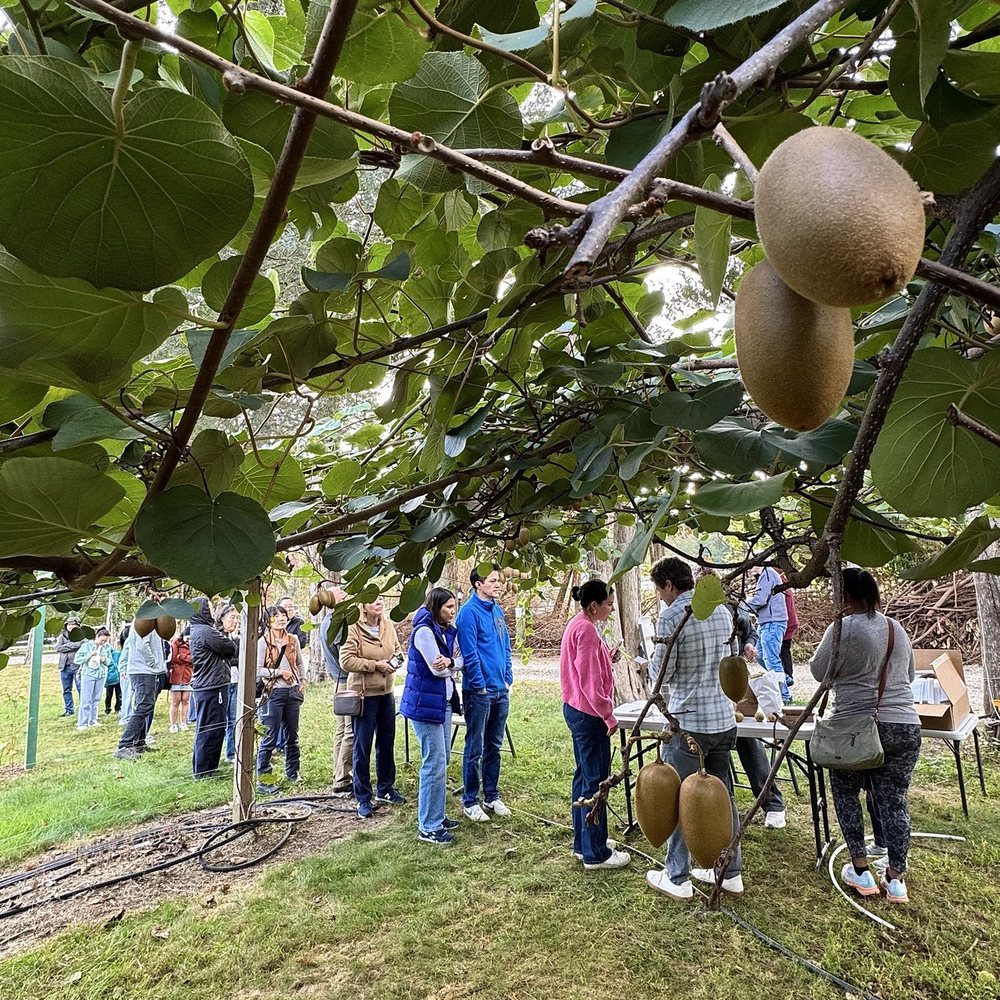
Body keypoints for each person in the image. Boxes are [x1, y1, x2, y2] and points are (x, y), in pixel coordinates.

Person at [810, 568, 920, 904]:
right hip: (903, 726)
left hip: (855, 728)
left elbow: (818, 671)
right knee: (894, 801)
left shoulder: (843, 628)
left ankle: (860, 869)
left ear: (843, 595)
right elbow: (910, 675)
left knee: (845, 793)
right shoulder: (894, 628)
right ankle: (896, 878)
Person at [645, 556, 743, 901]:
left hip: (689, 723)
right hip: (723, 720)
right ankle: (729, 871)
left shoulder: (673, 615)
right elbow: (732, 662)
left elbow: (662, 674)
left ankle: (677, 875)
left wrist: (648, 669)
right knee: (722, 798)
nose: (660, 597)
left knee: (679, 799)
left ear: (669, 585)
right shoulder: (720, 610)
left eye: (659, 590)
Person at [699, 568, 786, 830]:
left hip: (738, 681)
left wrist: (748, 644)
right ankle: (725, 807)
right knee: (716, 749)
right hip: (708, 686)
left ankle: (772, 803)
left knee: (748, 740)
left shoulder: (734, 609)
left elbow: (751, 633)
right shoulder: (694, 613)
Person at [560, 579, 631, 871]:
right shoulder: (586, 630)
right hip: (588, 714)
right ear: (594, 605)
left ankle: (584, 842)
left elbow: (586, 666)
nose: (611, 608)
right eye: (609, 604)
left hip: (575, 709)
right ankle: (596, 853)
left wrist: (606, 657)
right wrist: (609, 715)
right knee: (596, 781)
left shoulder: (579, 624)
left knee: (584, 776)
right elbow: (590, 684)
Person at [400, 588, 464, 845]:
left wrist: (450, 663)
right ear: (436, 607)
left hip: (444, 702)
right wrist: (450, 664)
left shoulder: (448, 630)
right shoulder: (424, 632)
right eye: (448, 606)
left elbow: (461, 661)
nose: (452, 611)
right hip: (424, 705)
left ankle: (437, 815)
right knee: (434, 763)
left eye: (453, 606)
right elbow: (437, 670)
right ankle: (428, 826)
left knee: (443, 760)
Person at [455, 567, 513, 822]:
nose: (498, 584)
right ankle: (470, 800)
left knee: (494, 746)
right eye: (493, 581)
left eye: (499, 580)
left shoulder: (497, 610)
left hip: (501, 689)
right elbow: (470, 653)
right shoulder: (468, 613)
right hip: (479, 692)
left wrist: (507, 676)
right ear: (479, 584)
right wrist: (479, 684)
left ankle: (491, 795)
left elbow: (505, 645)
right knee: (475, 746)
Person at [342, 595, 405, 819]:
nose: (379, 603)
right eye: (373, 600)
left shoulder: (388, 625)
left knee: (386, 743)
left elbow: (398, 651)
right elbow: (346, 660)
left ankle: (385, 788)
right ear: (363, 606)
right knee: (362, 745)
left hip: (386, 692)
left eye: (381, 599)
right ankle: (362, 797)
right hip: (364, 695)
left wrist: (394, 663)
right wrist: (374, 665)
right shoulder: (353, 628)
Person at [256, 606, 305, 791]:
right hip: (273, 693)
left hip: (292, 692)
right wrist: (279, 672)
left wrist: (303, 681)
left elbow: (299, 661)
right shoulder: (263, 642)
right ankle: (265, 779)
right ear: (268, 620)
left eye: (283, 615)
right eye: (276, 616)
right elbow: (257, 670)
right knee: (270, 736)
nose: (281, 619)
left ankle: (293, 772)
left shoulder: (292, 639)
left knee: (292, 736)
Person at [189, 599, 236, 779]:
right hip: (213, 686)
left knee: (207, 727)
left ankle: (205, 768)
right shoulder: (206, 631)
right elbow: (230, 647)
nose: (211, 610)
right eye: (208, 607)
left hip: (208, 684)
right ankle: (204, 771)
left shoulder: (198, 629)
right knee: (212, 728)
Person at [114, 609, 169, 761]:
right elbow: (141, 645)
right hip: (144, 671)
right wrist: (154, 664)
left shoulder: (151, 621)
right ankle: (124, 745)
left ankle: (138, 743)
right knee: (143, 706)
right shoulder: (145, 621)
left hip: (148, 671)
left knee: (146, 706)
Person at [317, 585, 352, 794]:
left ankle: (338, 773)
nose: (347, 596)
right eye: (342, 594)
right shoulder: (336, 623)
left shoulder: (326, 622)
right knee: (351, 731)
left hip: (337, 681)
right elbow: (345, 655)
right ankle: (343, 778)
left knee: (341, 730)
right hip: (346, 680)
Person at [743, 563, 789, 703]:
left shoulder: (767, 574)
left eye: (752, 567)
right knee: (760, 656)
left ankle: (784, 696)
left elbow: (760, 599)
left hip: (773, 622)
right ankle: (781, 680)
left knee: (771, 659)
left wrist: (742, 606)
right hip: (765, 622)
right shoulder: (765, 575)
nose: (751, 571)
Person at [216, 604, 241, 764]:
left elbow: (238, 659)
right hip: (222, 682)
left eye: (237, 618)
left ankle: (231, 752)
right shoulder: (217, 637)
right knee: (221, 720)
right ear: (222, 618)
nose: (235, 622)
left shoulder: (237, 637)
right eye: (232, 618)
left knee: (234, 718)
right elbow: (227, 659)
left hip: (236, 680)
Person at [75, 627, 113, 729]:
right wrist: (89, 655)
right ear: (97, 637)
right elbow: (77, 659)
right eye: (102, 640)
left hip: (101, 675)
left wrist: (103, 659)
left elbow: (109, 661)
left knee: (96, 699)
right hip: (88, 674)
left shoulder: (107, 647)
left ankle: (92, 720)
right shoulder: (86, 646)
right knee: (86, 699)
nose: (103, 642)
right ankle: (82, 723)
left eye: (105, 641)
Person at [56, 617, 83, 717]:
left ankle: (83, 709)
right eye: (69, 624)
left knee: (81, 688)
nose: (71, 626)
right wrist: (73, 645)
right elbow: (58, 648)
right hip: (64, 667)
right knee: (66, 690)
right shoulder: (62, 636)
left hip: (77, 666)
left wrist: (66, 646)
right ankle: (69, 710)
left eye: (73, 624)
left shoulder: (82, 635)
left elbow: (82, 644)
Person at [168, 630, 194, 733]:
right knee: (175, 701)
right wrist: (186, 659)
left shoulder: (194, 644)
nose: (188, 640)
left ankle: (184, 722)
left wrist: (182, 657)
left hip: (188, 675)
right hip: (176, 675)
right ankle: (173, 724)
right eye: (187, 638)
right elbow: (174, 658)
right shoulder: (176, 642)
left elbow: (194, 659)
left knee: (185, 700)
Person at [780, 573, 798, 690]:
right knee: (785, 651)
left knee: (783, 651)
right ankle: (788, 676)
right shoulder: (786, 586)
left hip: (786, 623)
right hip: (790, 622)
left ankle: (787, 677)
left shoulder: (781, 588)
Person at [104, 639, 122, 715]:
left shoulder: (117, 654)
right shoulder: (105, 657)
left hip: (118, 679)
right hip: (109, 680)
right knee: (109, 696)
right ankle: (107, 709)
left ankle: (118, 708)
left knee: (119, 695)